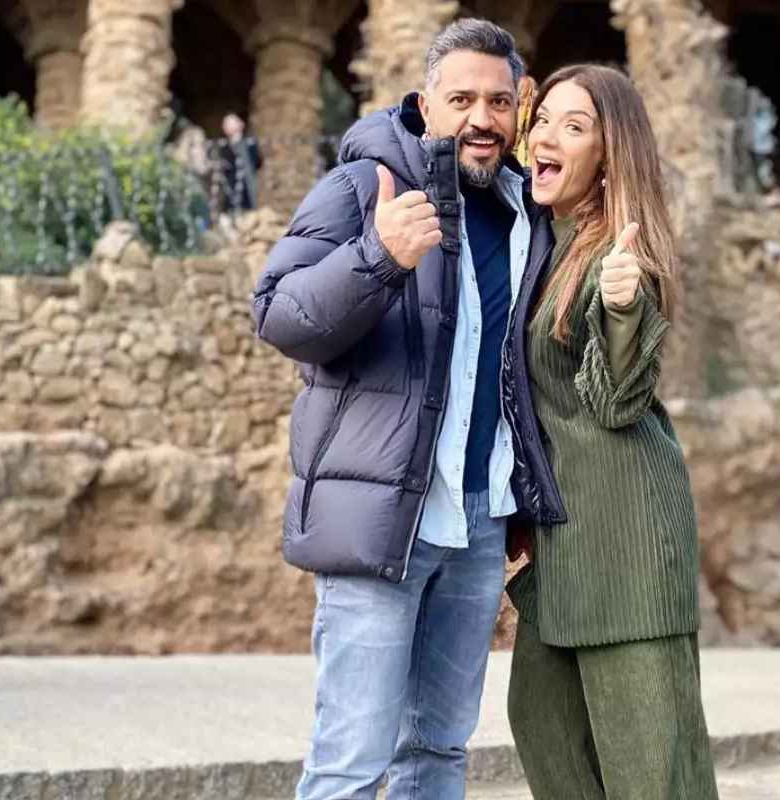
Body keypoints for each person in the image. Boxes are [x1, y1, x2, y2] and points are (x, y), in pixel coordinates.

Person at [250, 19, 554, 800]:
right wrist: (377, 259)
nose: (481, 118)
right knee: (351, 762)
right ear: (425, 104)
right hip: (385, 521)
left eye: (498, 101)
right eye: (462, 100)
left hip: (478, 526)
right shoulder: (364, 187)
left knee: (438, 751)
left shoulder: (527, 212)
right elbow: (279, 315)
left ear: (519, 107)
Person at [501, 64, 719, 799]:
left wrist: (623, 310)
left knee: (650, 771)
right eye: (543, 120)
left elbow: (619, 400)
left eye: (575, 126)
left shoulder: (618, 257)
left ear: (607, 155)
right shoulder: (540, 241)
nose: (547, 137)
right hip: (564, 536)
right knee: (541, 722)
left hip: (627, 542)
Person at [219, 112, 263, 211]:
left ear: (241, 124)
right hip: (230, 193)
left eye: (231, 122)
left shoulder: (250, 144)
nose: (227, 126)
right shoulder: (223, 147)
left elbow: (257, 162)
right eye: (226, 124)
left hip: (247, 192)